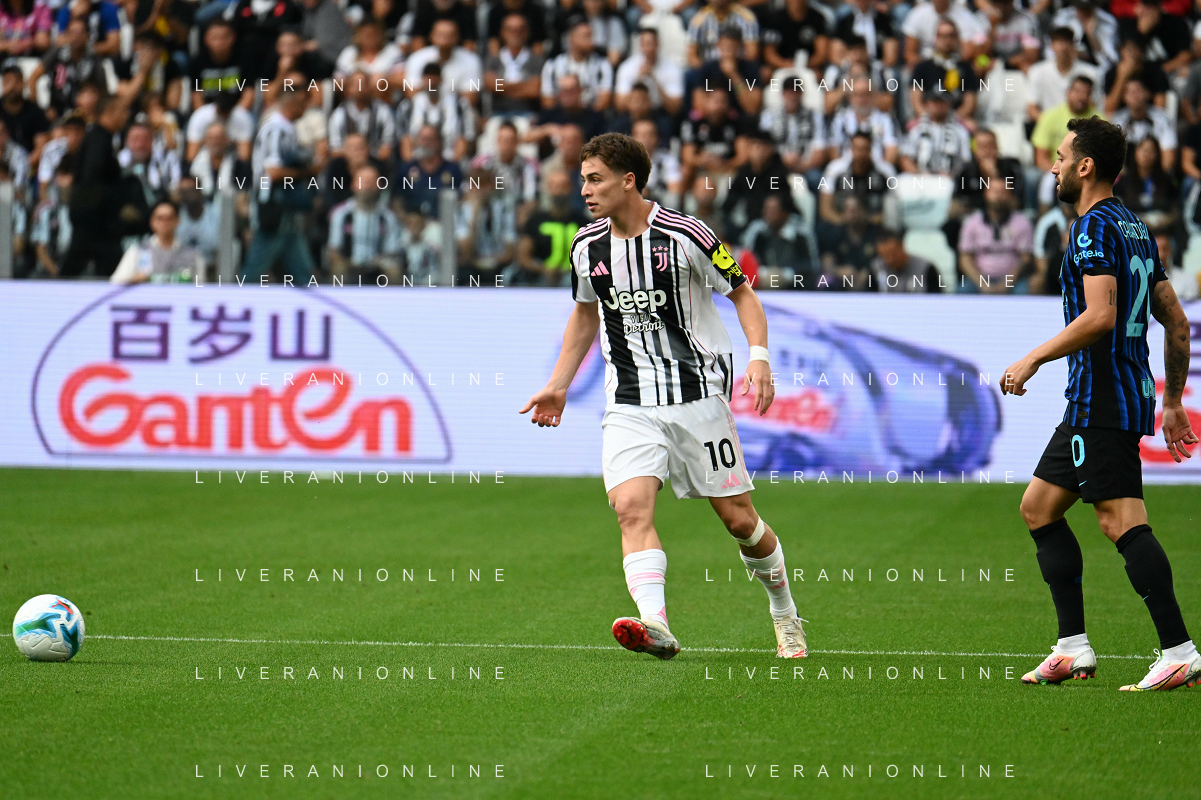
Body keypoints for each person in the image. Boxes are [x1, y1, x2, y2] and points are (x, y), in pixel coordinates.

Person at [520, 132, 808, 661]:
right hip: (629, 400)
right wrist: (559, 385)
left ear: (629, 181)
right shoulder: (586, 246)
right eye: (583, 180)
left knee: (740, 520)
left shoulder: (687, 234)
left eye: (595, 180)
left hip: (697, 396)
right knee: (630, 508)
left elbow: (742, 292)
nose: (585, 190)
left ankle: (785, 612)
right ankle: (656, 622)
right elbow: (585, 313)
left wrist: (759, 356)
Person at [1002, 115, 1199, 692]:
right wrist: (1173, 401)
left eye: (1062, 157)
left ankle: (1179, 650)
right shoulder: (1135, 228)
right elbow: (1177, 322)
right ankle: (1072, 647)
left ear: (1086, 167)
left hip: (1102, 400)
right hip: (1110, 397)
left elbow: (1100, 316)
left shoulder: (1090, 229)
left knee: (1120, 521)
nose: (1053, 166)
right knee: (1039, 508)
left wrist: (1034, 358)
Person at [63, 93, 128, 277]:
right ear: (110, 112)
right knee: (74, 266)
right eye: (123, 111)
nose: (126, 116)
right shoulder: (99, 140)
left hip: (95, 218)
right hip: (94, 219)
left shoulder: (99, 138)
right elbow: (92, 176)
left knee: (107, 265)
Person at [110, 200, 205, 283]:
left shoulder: (193, 255)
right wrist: (133, 280)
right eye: (160, 218)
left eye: (169, 218)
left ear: (177, 221)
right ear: (152, 222)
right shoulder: (138, 251)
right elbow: (115, 282)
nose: (164, 223)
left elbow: (201, 286)